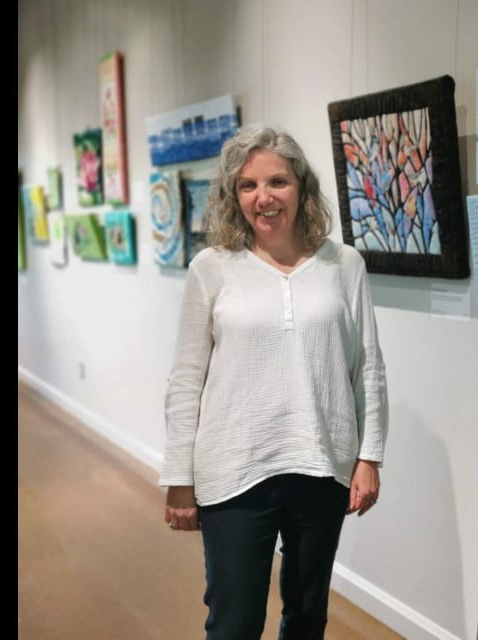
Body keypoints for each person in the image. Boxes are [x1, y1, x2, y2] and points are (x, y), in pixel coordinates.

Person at [160, 128, 388, 640]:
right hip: (234, 470)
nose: (264, 197)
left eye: (277, 181)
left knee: (307, 618)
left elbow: (367, 366)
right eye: (247, 185)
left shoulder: (343, 265)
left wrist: (370, 455)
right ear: (232, 196)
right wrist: (179, 473)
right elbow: (185, 378)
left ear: (301, 187)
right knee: (234, 622)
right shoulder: (211, 268)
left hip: (321, 464)